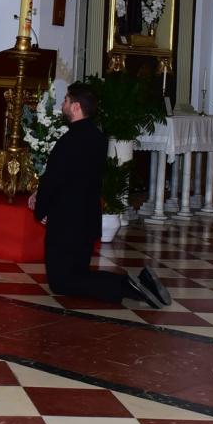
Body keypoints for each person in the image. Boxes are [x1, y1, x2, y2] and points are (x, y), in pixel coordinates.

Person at [28, 81, 169, 309]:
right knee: (78, 274)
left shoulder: (69, 141)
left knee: (62, 282)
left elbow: (55, 179)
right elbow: (77, 179)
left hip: (66, 223)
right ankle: (141, 283)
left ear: (75, 107)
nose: (63, 104)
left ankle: (128, 286)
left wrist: (41, 207)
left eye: (65, 100)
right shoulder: (98, 138)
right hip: (87, 220)